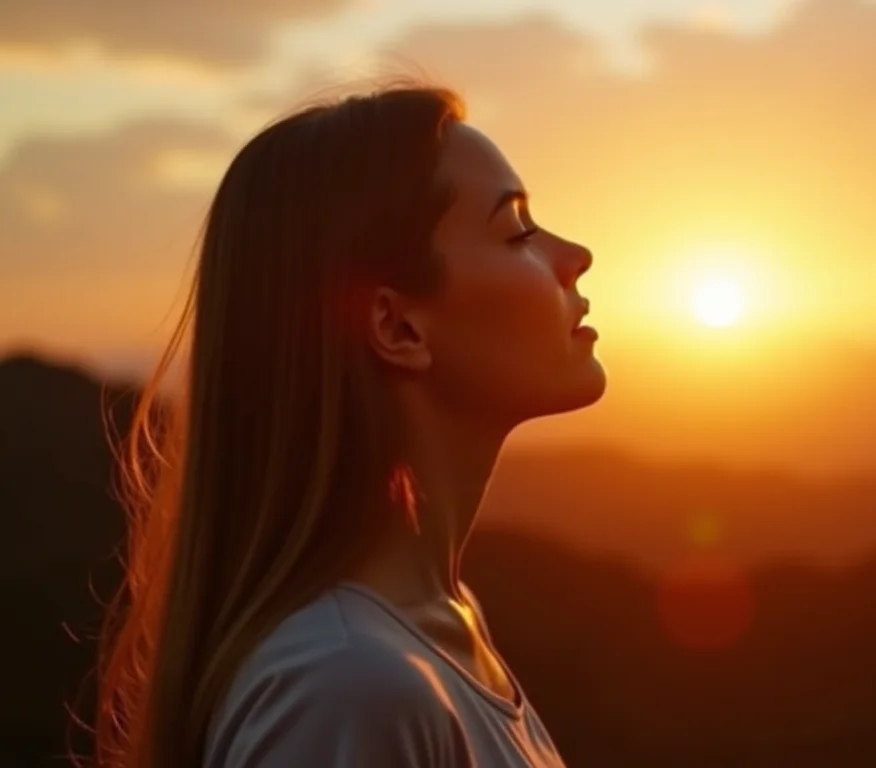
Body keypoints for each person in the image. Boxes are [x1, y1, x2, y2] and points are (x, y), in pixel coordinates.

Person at [95, 83, 605, 767]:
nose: (575, 254)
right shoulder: (347, 687)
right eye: (516, 231)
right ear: (397, 325)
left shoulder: (438, 630)